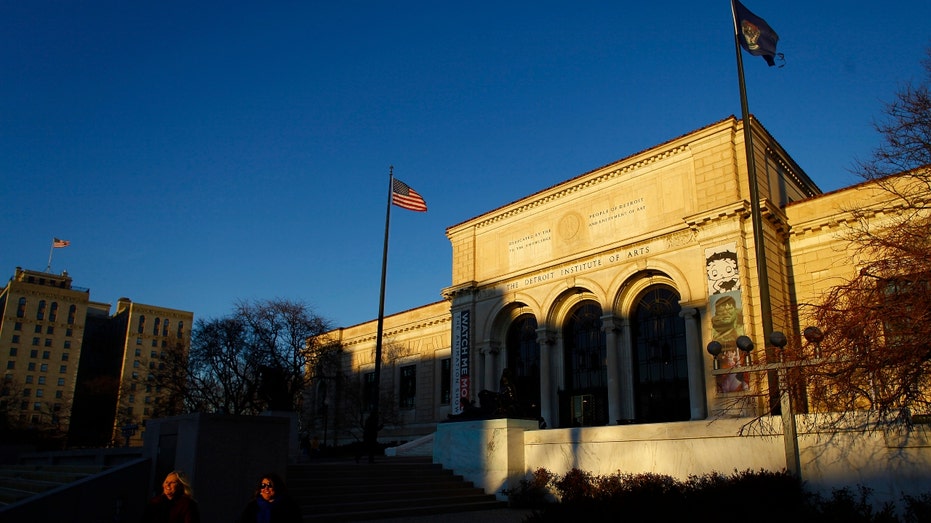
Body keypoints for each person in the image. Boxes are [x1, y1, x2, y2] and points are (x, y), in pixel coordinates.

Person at [237, 472, 302, 523]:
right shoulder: (252, 506)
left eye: (269, 485)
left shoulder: (289, 506)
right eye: (263, 485)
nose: (266, 488)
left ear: (277, 487)